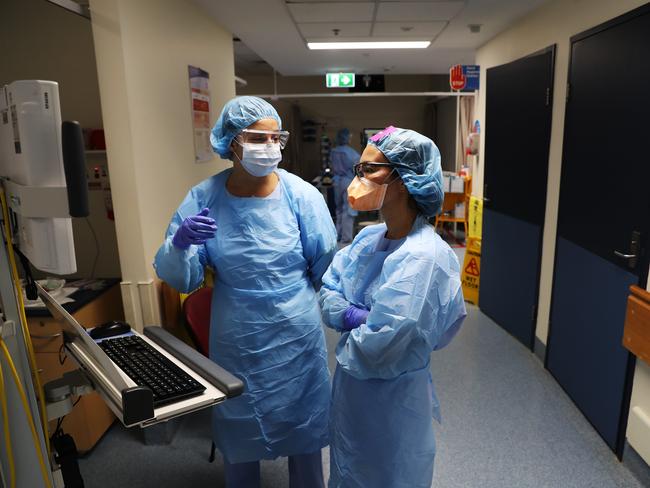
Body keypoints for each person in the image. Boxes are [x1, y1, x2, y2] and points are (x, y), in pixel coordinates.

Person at [154, 96, 336, 488]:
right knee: (240, 430)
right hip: (238, 332)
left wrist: (344, 310)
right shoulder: (204, 198)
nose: (269, 147)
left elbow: (326, 266)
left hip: (296, 331)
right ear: (232, 142)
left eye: (276, 138)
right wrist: (181, 245)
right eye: (258, 137)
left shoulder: (301, 196)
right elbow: (183, 278)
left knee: (303, 431)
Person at [319, 126, 467, 488]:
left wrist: (351, 316)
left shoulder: (425, 257)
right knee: (349, 470)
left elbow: (381, 344)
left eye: (370, 170)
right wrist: (356, 316)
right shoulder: (370, 236)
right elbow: (327, 291)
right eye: (359, 169)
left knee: (388, 476)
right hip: (352, 391)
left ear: (403, 179)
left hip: (391, 399)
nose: (360, 178)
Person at [329, 128, 360, 243]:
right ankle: (346, 238)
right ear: (348, 138)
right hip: (348, 182)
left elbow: (331, 166)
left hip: (336, 182)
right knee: (348, 210)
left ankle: (337, 235)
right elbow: (359, 168)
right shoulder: (352, 153)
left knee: (338, 209)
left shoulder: (333, 151)